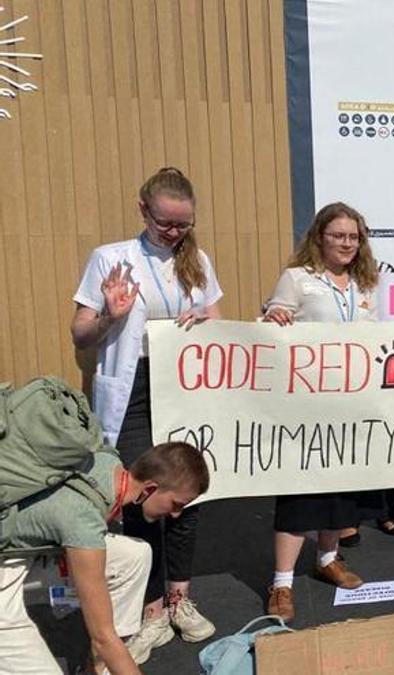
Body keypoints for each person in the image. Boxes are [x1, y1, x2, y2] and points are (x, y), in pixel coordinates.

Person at [70, 167, 221, 661]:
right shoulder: (111, 259)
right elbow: (81, 333)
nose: (175, 233)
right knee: (142, 495)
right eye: (165, 224)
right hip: (133, 391)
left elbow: (217, 323)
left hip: (184, 389)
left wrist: (204, 319)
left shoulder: (196, 260)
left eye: (183, 224)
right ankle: (151, 609)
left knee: (187, 496)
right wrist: (111, 314)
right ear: (143, 210)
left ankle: (179, 597)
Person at [262, 202, 381, 621]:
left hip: (350, 406)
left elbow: (381, 338)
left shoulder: (367, 284)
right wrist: (274, 315)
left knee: (341, 489)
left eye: (353, 236)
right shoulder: (297, 279)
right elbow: (273, 323)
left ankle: (328, 557)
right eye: (338, 235)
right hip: (305, 407)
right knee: (300, 494)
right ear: (320, 237)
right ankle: (281, 583)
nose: (347, 243)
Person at [0, 442, 209, 674]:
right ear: (149, 488)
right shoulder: (83, 520)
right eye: (176, 504)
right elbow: (102, 637)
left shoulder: (107, 461)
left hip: (26, 546)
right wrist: (108, 645)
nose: (176, 514)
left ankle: (100, 667)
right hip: (6, 567)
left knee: (135, 555)